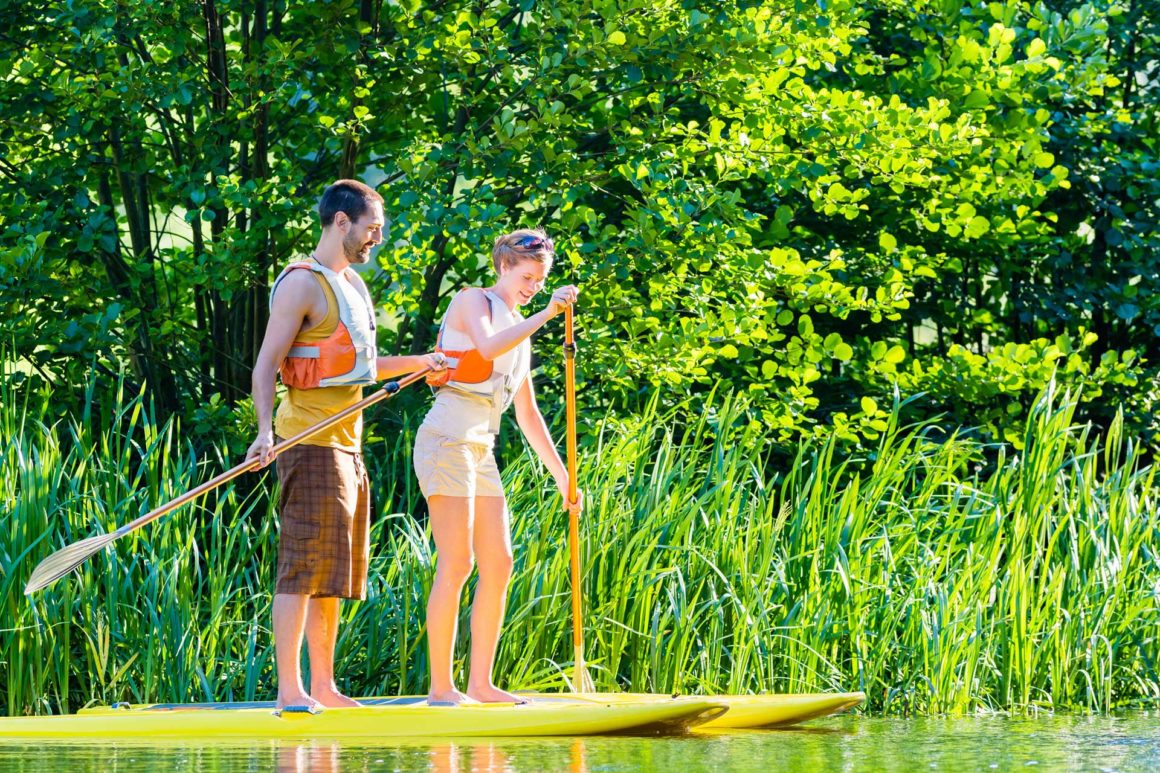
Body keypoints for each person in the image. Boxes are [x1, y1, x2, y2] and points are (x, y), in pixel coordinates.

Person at [247, 179, 444, 710]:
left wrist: (421, 363)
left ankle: (325, 687)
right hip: (306, 442)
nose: (376, 239)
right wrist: (264, 433)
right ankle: (290, 690)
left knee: (333, 571)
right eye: (371, 229)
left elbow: (361, 368)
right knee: (301, 566)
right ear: (341, 222)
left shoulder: (354, 285)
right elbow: (266, 366)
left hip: (346, 447)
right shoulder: (300, 284)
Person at [413, 228, 583, 705]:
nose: (533, 286)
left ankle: (480, 684)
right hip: (446, 439)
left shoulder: (521, 330)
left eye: (541, 279)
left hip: (480, 448)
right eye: (528, 276)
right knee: (458, 562)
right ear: (505, 266)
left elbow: (527, 414)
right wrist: (548, 313)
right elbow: (486, 349)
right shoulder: (473, 301)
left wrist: (562, 476)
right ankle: (441, 689)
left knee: (500, 562)